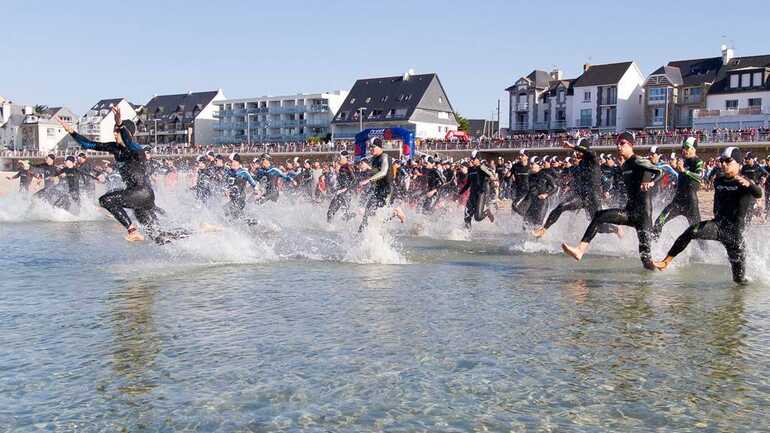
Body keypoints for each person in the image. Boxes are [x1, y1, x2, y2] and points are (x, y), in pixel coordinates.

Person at [654, 147, 762, 284]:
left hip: (735, 236)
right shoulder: (719, 180)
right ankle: (666, 261)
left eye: (728, 161)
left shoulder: (744, 182)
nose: (723, 164)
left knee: (739, 280)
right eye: (722, 161)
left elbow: (759, 193)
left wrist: (750, 185)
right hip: (717, 226)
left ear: (739, 163)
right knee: (691, 231)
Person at [562, 131, 661, 269]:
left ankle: (656, 279)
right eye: (617, 144)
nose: (619, 147)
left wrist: (651, 183)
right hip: (630, 212)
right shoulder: (625, 166)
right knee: (599, 216)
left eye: (622, 144)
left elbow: (659, 171)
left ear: (631, 145)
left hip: (643, 216)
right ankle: (580, 250)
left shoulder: (638, 160)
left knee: (646, 261)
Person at [58, 107, 158, 242]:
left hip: (142, 192)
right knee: (156, 236)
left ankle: (132, 230)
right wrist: (71, 132)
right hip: (136, 196)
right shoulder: (114, 147)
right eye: (114, 131)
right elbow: (88, 144)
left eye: (116, 131)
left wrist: (120, 125)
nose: (114, 134)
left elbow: (128, 142)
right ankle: (191, 235)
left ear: (127, 133)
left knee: (106, 200)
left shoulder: (136, 150)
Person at [534, 138, 619, 239]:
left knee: (600, 228)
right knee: (561, 206)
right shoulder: (581, 163)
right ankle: (543, 230)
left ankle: (616, 229)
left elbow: (588, 151)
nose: (575, 153)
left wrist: (572, 146)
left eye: (578, 151)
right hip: (582, 196)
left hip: (593, 198)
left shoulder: (593, 158)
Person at [652, 137, 704, 238]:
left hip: (690, 204)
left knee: (697, 232)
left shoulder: (698, 161)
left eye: (687, 148)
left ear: (694, 149)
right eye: (683, 147)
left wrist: (685, 171)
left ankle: (705, 252)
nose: (684, 150)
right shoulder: (683, 161)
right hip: (677, 201)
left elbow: (700, 176)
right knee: (659, 222)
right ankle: (654, 247)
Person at [357, 138, 405, 232]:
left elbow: (383, 172)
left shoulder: (384, 157)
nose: (370, 149)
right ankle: (360, 233)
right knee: (367, 212)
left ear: (379, 147)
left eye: (372, 147)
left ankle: (395, 212)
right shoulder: (374, 159)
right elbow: (376, 172)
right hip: (378, 190)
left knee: (381, 219)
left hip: (388, 190)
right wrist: (367, 168)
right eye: (369, 147)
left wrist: (368, 180)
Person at [458, 150, 496, 229]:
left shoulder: (482, 168)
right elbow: (468, 184)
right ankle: (466, 235)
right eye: (471, 158)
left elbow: (492, 175)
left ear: (478, 159)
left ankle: (487, 212)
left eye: (473, 158)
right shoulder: (470, 170)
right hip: (472, 194)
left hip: (480, 194)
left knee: (478, 217)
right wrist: (459, 193)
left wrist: (492, 178)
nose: (471, 160)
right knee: (467, 217)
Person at [327, 150, 356, 223]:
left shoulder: (347, 168)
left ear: (345, 158)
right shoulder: (341, 167)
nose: (338, 159)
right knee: (330, 213)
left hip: (345, 194)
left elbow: (355, 181)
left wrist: (345, 188)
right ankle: (330, 228)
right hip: (340, 193)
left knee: (343, 214)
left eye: (339, 157)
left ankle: (355, 217)